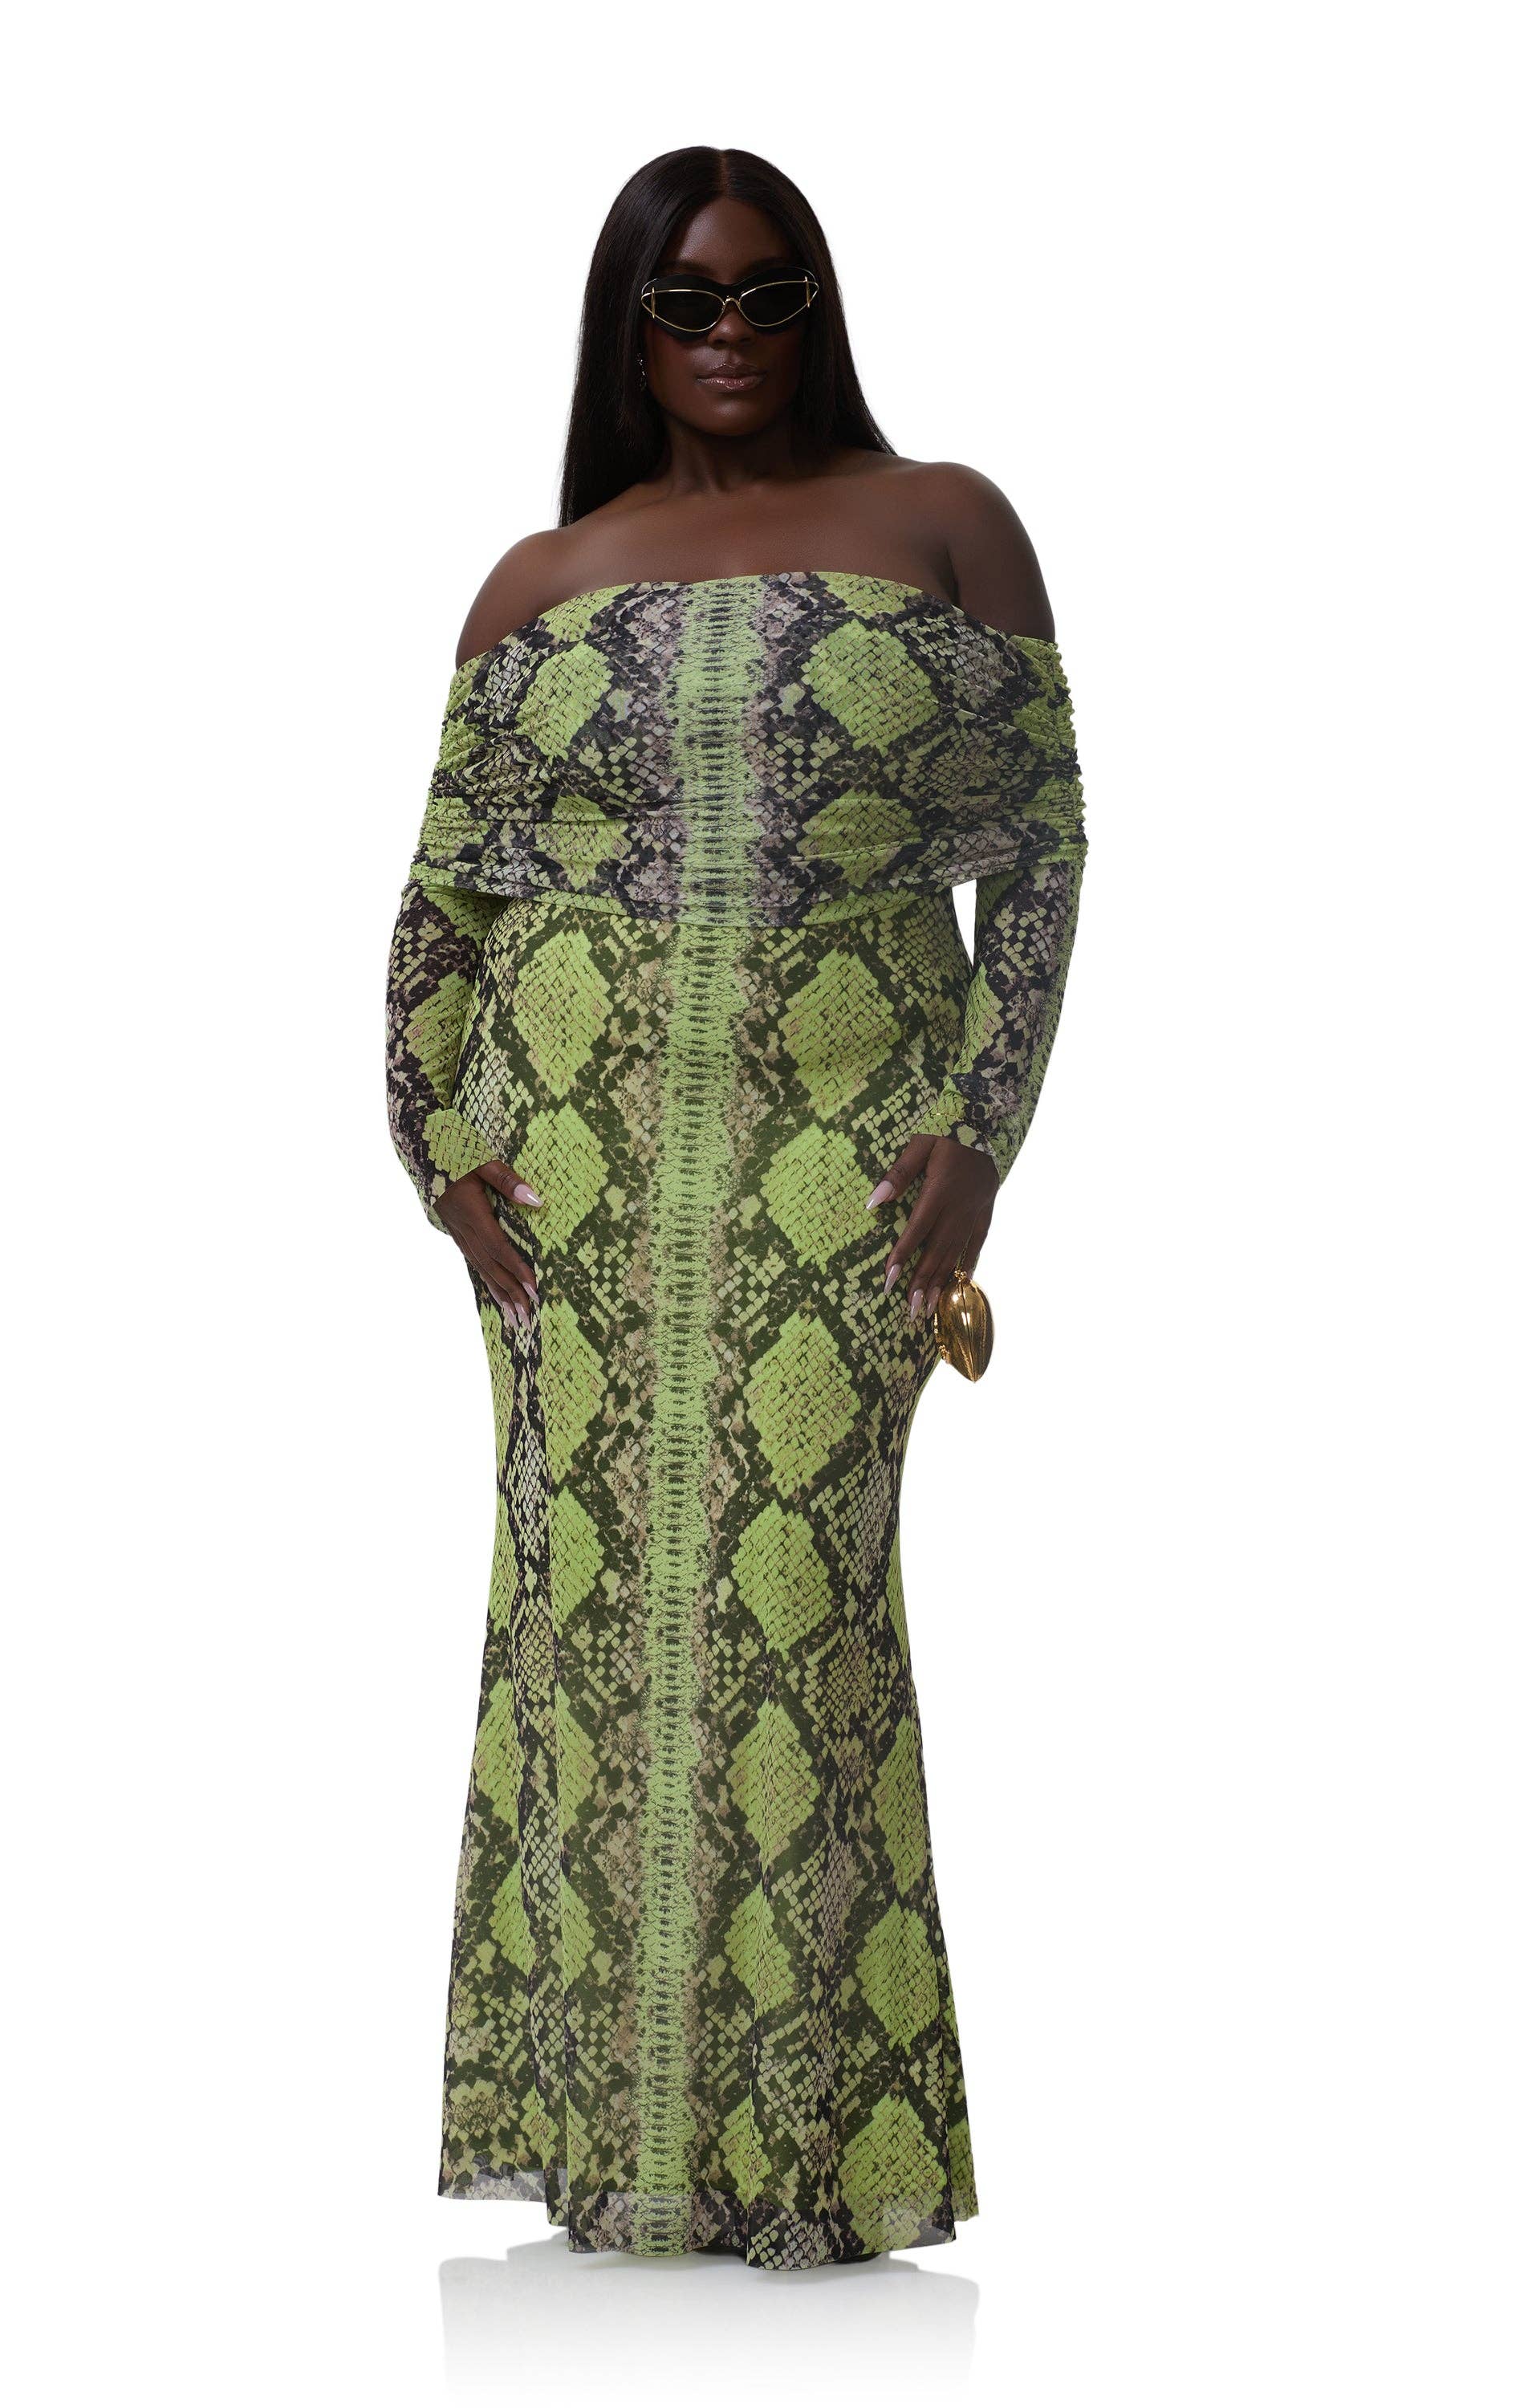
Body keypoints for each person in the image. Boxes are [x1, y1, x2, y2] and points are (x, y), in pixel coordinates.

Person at [384, 144, 1089, 2269]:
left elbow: (1040, 857)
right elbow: (444, 908)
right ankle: (607, 2142)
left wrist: (981, 1135)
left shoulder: (944, 524)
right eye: (685, 301)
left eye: (767, 292)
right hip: (577, 1195)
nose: (729, 334)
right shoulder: (540, 579)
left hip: (836, 1173)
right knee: (585, 1641)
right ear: (628, 330)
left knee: (798, 1619)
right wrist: (441, 1160)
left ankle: (807, 2151)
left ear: (819, 306)